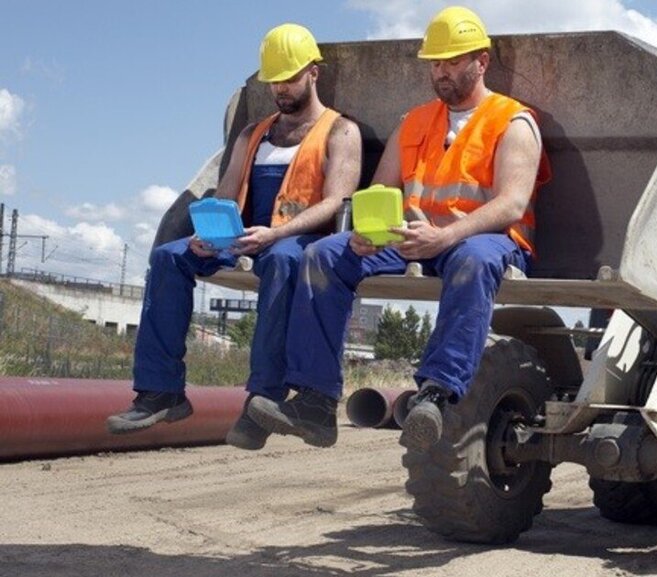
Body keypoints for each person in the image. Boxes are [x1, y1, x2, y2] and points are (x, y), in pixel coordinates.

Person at [248, 5, 550, 450]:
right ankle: (315, 400)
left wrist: (447, 235)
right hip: (410, 237)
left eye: (451, 62)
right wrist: (368, 231)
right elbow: (380, 189)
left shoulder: (512, 121)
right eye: (435, 64)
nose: (441, 73)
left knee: (472, 260)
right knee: (323, 255)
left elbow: (512, 204)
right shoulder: (415, 121)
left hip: (483, 240)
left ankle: (436, 395)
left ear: (480, 62)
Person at [105, 24, 362, 451]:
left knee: (283, 262)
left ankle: (263, 399)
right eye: (274, 80)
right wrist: (207, 237)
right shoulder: (252, 135)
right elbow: (226, 196)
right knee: (171, 256)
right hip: (241, 238)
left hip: (294, 239)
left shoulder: (341, 132)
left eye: (289, 78)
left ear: (313, 73)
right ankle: (160, 392)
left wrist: (276, 233)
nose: (281, 88)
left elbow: (336, 202)